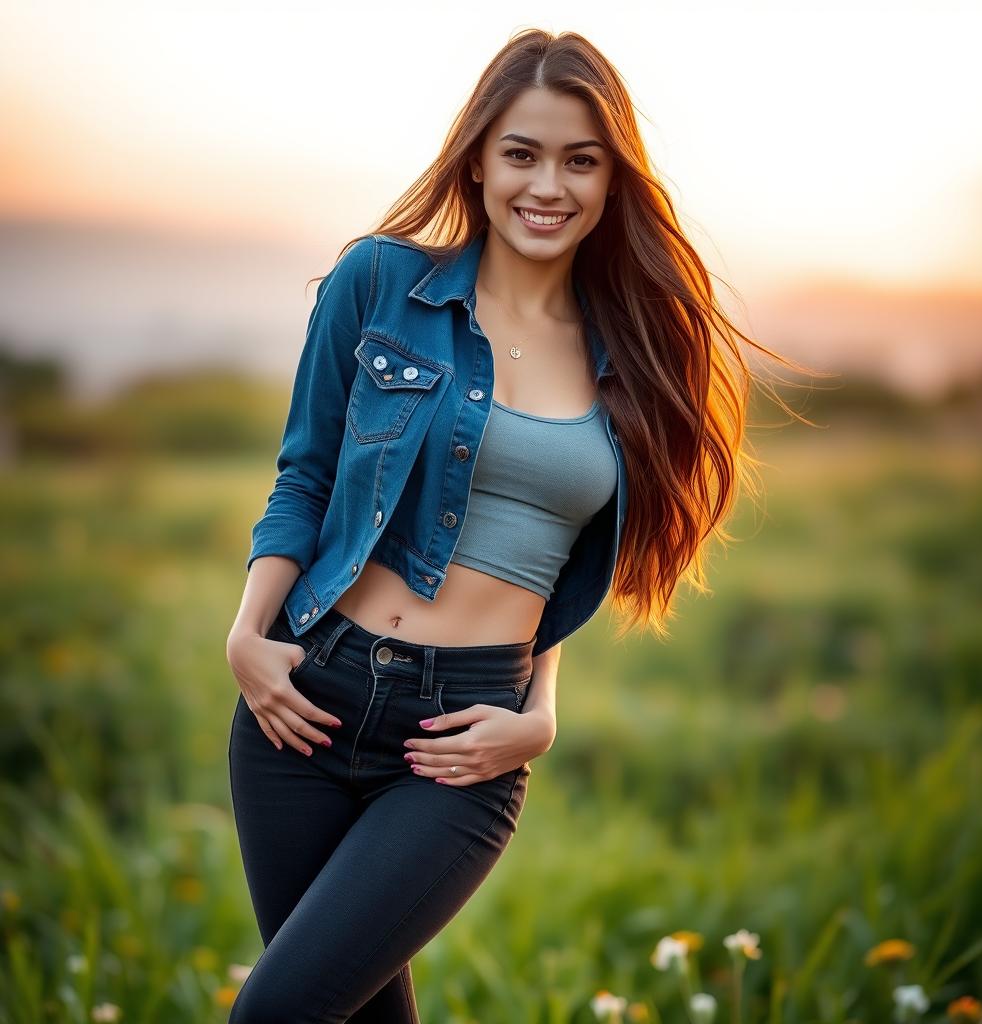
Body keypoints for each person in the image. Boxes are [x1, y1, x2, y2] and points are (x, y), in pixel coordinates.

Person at [224, 27, 781, 1023]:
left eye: (580, 159)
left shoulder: (635, 355)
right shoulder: (379, 282)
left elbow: (562, 562)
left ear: (613, 179)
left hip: (464, 740)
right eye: (522, 152)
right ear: (477, 159)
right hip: (303, 700)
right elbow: (304, 475)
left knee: (275, 1013)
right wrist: (247, 639)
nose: (548, 184)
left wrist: (542, 710)